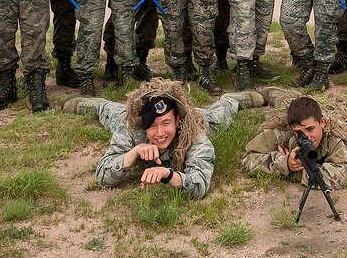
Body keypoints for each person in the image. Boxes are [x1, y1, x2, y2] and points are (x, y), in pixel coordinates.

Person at [63, 79, 267, 199]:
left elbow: (199, 185)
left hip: (197, 118)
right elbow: (102, 177)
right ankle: (96, 104)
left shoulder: (193, 132)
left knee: (218, 115)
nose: (159, 132)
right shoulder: (132, 128)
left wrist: (169, 176)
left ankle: (233, 99)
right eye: (152, 125)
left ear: (177, 120)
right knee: (113, 112)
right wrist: (133, 152)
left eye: (166, 123)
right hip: (127, 121)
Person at [241, 96, 347, 190]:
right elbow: (247, 161)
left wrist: (294, 170)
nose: (307, 137)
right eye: (298, 132)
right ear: (291, 129)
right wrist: (284, 162)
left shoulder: (335, 137)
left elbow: (338, 178)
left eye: (310, 129)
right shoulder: (282, 133)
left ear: (322, 123)